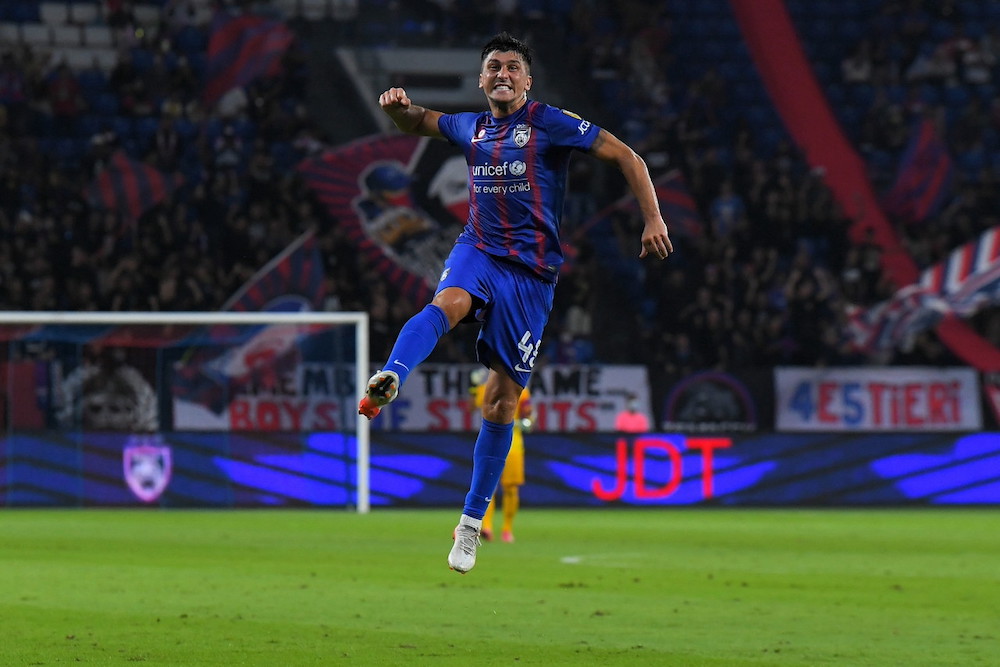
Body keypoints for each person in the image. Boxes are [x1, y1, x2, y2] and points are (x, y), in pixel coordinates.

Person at [358, 32, 672, 574]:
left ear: (527, 80)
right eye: (493, 67)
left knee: (501, 402)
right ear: (481, 81)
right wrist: (398, 108)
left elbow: (628, 156)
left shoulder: (549, 122)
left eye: (511, 66)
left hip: (531, 276)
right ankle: (389, 376)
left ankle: (470, 525)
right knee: (449, 301)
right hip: (478, 250)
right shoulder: (469, 126)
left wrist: (652, 217)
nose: (502, 73)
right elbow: (417, 121)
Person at [468, 367, 532, 543]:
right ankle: (486, 526)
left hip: (514, 445)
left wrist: (524, 423)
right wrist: (473, 389)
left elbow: (529, 418)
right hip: (490, 443)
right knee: (489, 486)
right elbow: (470, 408)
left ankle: (507, 528)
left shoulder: (522, 391)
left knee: (510, 488)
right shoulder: (483, 388)